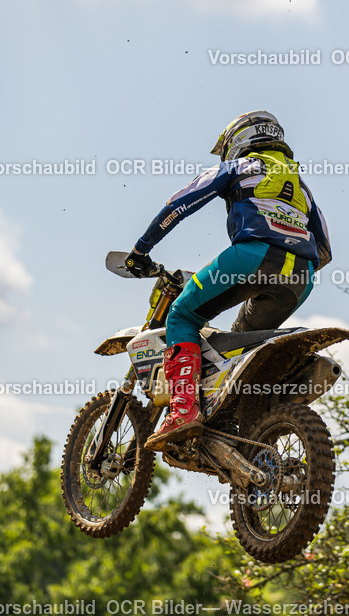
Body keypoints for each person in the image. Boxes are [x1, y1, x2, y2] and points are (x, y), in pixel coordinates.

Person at [125, 110, 332, 451]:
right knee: (239, 343)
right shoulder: (303, 188)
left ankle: (183, 411)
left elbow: (180, 203)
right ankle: (234, 424)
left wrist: (139, 250)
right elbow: (324, 249)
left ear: (239, 139)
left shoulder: (237, 167)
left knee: (182, 316)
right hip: (301, 276)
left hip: (251, 257)